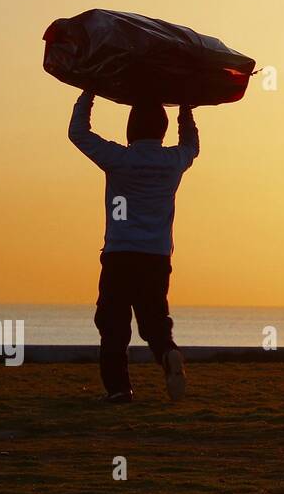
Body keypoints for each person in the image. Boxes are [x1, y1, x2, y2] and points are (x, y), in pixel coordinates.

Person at [69, 90, 199, 403]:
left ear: (131, 129)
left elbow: (78, 133)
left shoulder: (118, 159)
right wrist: (185, 109)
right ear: (162, 130)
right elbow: (191, 146)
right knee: (154, 319)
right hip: (156, 257)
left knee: (113, 322)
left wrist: (88, 92)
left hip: (120, 255)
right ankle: (167, 352)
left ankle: (119, 389)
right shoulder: (172, 162)